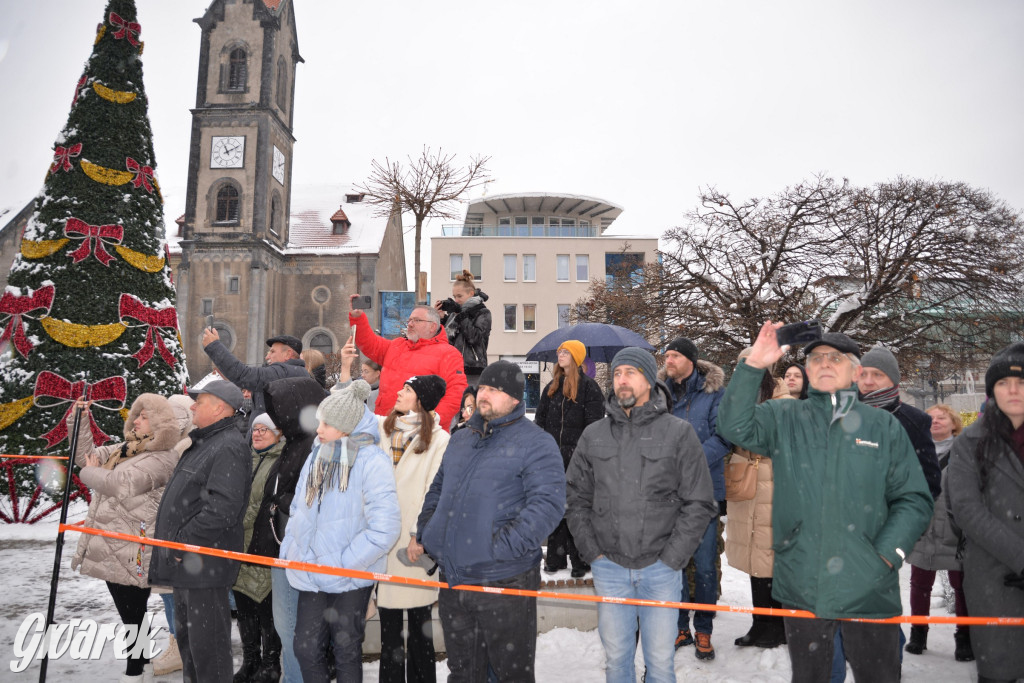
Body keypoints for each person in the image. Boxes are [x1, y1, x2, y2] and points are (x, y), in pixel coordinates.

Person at [717, 325, 933, 683]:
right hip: (803, 581)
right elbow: (733, 425)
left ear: (855, 371)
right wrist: (753, 365)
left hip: (871, 585)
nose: (825, 363)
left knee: (879, 676)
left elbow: (913, 499)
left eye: (836, 357)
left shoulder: (882, 426)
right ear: (807, 370)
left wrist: (885, 555)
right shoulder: (784, 417)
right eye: (816, 358)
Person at [566, 347, 716, 683]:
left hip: (660, 571)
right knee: (617, 660)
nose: (622, 380)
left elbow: (699, 502)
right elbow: (575, 498)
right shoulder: (594, 435)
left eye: (630, 372)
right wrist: (594, 553)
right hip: (610, 568)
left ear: (649, 379)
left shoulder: (678, 433)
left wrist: (672, 559)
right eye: (617, 373)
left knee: (661, 664)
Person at [417, 360, 565, 682]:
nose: (483, 394)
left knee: (510, 673)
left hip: (504, 580)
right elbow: (438, 489)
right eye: (482, 387)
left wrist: (498, 548)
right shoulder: (462, 439)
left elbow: (548, 505)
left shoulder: (536, 443)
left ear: (514, 398)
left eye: (494, 389)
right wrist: (430, 531)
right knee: (463, 672)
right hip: (455, 581)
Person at [280, 380, 401, 683]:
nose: (319, 428)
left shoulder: (372, 462)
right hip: (309, 569)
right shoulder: (316, 455)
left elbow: (384, 528)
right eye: (320, 421)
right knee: (305, 648)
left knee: (346, 652)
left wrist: (344, 563)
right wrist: (292, 550)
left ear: (346, 427)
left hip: (350, 575)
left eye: (327, 423)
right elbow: (298, 508)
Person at [69, 393, 182, 682]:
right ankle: (139, 662)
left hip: (135, 545)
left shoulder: (162, 457)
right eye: (138, 415)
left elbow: (122, 484)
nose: (137, 419)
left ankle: (135, 670)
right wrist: (80, 419)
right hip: (114, 541)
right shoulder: (128, 449)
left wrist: (90, 471)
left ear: (159, 424)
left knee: (133, 610)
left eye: (144, 417)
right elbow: (87, 454)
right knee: (130, 611)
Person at [150, 380, 252, 683]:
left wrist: (184, 542)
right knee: (192, 651)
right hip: (189, 567)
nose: (193, 406)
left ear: (220, 407)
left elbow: (223, 507)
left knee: (210, 653)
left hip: (204, 566)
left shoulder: (229, 446)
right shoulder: (206, 442)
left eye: (200, 401)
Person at [947, 342, 1024, 683]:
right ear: (991, 389)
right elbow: (966, 509)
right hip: (993, 576)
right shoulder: (970, 442)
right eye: (1004, 383)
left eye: (1021, 382)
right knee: (999, 670)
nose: (1013, 390)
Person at [246, 375, 327, 683]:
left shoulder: (313, 445)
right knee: (286, 626)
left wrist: (282, 502)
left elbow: (316, 497)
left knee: (292, 627)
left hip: (296, 550)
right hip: (282, 548)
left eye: (280, 407)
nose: (276, 414)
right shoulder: (296, 442)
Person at [660, 336, 730, 659]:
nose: (668, 360)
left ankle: (704, 630)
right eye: (666, 355)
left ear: (690, 359)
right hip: (668, 494)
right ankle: (679, 627)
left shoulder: (713, 392)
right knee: (673, 564)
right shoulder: (660, 394)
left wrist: (690, 460)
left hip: (705, 492)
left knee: (703, 567)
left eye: (674, 355)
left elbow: (724, 437)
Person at [724, 347, 792, 650]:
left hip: (774, 485)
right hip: (747, 486)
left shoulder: (782, 399)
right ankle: (759, 623)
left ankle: (778, 625)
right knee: (754, 558)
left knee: (770, 559)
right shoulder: (737, 400)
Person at [904, 404, 972, 661]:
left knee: (962, 585)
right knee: (919, 583)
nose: (935, 421)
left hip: (956, 527)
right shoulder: (915, 451)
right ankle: (918, 633)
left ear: (954, 423)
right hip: (924, 526)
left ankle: (964, 636)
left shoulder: (966, 451)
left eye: (941, 417)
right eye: (930, 418)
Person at [535, 339, 604, 578]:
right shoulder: (551, 387)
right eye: (559, 351)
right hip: (553, 460)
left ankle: (580, 560)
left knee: (577, 509)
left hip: (579, 461)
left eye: (565, 352)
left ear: (576, 357)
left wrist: (581, 456)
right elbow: (540, 422)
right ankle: (554, 558)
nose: (560, 355)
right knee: (555, 507)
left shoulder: (590, 388)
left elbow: (594, 427)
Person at [349, 293, 467, 432]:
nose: (410, 324)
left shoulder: (449, 354)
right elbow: (368, 344)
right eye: (410, 320)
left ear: (432, 326)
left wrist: (429, 422)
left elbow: (456, 394)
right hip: (385, 427)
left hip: (419, 434)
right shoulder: (396, 345)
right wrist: (357, 318)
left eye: (416, 320)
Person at [232, 413, 285, 683]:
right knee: (244, 608)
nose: (258, 433)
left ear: (279, 434)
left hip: (262, 545)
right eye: (255, 429)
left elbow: (265, 504)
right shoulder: (243, 459)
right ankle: (250, 660)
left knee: (266, 608)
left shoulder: (281, 463)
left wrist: (237, 520)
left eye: (266, 429)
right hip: (238, 546)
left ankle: (270, 663)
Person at [859, 346, 942, 498]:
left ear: (893, 380)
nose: (868, 381)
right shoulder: (844, 415)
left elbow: (929, 482)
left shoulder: (915, 420)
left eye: (878, 375)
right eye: (862, 375)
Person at [152, 393, 195, 677]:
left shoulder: (185, 447)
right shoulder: (165, 445)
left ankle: (181, 646)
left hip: (179, 531)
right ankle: (177, 643)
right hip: (162, 528)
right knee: (168, 591)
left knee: (174, 592)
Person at [202, 329, 311, 425]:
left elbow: (244, 375)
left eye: (272, 352)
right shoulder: (292, 372)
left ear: (288, 354)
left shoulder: (285, 372)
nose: (267, 356)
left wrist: (214, 346)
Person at [435, 269, 492, 385]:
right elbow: (445, 341)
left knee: (469, 402)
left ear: (471, 293)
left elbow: (474, 338)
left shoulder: (483, 312)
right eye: (454, 296)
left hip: (473, 370)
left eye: (459, 296)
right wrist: (442, 319)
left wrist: (461, 316)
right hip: (452, 367)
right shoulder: (455, 313)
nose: (456, 300)